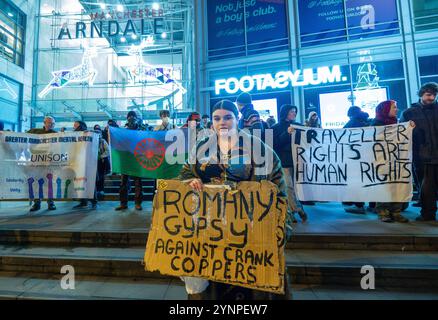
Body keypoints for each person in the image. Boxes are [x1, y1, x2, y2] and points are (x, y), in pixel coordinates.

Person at [179, 99, 290, 300]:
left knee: (254, 288)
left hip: (250, 229)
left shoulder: (258, 147)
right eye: (217, 118)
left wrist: (281, 226)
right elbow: (185, 173)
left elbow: (278, 184)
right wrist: (190, 179)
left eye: (228, 117)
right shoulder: (202, 147)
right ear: (212, 121)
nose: (222, 122)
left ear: (237, 119)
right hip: (212, 230)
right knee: (214, 287)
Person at [401, 82, 438, 222]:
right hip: (422, 157)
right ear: (421, 94)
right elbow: (401, 135)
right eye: (429, 94)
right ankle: (428, 215)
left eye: (434, 95)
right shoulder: (409, 113)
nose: (432, 97)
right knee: (426, 190)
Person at [372, 100, 409, 223]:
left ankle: (396, 211)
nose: (396, 109)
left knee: (398, 186)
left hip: (397, 160)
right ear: (385, 109)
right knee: (384, 187)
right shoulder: (375, 124)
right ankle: (383, 211)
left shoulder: (397, 123)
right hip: (382, 161)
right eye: (394, 107)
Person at [272, 105, 307, 223]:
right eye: (292, 111)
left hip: (297, 161)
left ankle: (291, 212)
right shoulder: (275, 127)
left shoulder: (298, 126)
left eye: (295, 111)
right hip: (284, 162)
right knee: (289, 187)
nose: (294, 113)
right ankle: (297, 209)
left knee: (295, 188)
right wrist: (286, 134)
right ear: (285, 112)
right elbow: (274, 144)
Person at [343, 106, 371, 214]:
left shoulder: (353, 122)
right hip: (367, 155)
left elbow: (342, 134)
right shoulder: (366, 121)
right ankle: (372, 205)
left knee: (355, 181)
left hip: (355, 156)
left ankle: (359, 205)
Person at [116, 111, 146, 211]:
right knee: (123, 183)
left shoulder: (141, 129)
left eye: (133, 116)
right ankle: (123, 203)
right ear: (127, 118)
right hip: (126, 160)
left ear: (136, 118)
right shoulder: (123, 131)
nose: (131, 118)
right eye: (130, 116)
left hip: (137, 160)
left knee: (138, 183)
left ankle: (138, 203)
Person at [27, 116, 57, 212]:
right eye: (48, 123)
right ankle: (37, 203)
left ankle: (51, 202)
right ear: (44, 122)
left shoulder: (56, 134)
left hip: (50, 163)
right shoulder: (35, 131)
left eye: (52, 124)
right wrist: (4, 133)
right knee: (36, 183)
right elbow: (19, 136)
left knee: (49, 184)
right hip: (36, 162)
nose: (50, 125)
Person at [72, 121, 98, 209]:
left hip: (87, 162)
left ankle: (92, 201)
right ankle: (84, 201)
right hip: (79, 162)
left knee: (89, 181)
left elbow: (97, 136)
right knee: (80, 181)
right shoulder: (74, 135)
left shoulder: (88, 133)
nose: (74, 127)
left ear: (80, 126)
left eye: (75, 125)